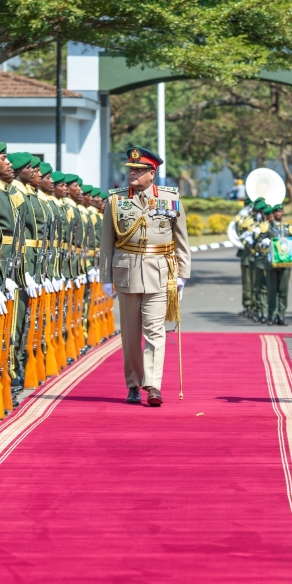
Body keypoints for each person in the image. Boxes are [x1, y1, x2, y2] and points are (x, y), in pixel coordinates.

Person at [100, 146, 191, 407]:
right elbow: (107, 242)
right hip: (126, 272)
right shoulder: (116, 200)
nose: (133, 174)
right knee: (130, 335)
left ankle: (153, 385)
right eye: (131, 170)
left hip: (160, 272)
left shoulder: (170, 198)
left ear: (152, 173)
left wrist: (183, 274)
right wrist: (106, 277)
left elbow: (181, 240)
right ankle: (133, 384)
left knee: (155, 331)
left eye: (139, 170)